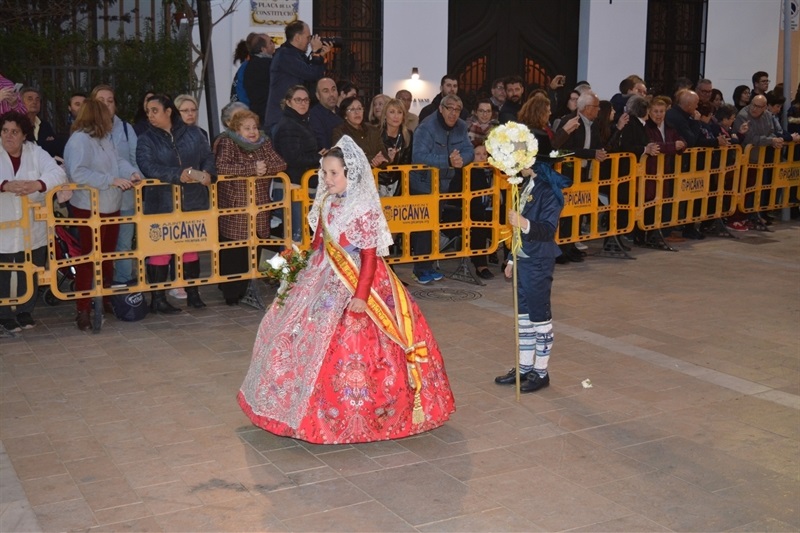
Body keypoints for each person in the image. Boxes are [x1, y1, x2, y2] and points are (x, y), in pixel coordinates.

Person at [237, 135, 455, 443]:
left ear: (350, 174)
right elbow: (318, 242)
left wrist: (361, 296)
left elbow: (369, 255)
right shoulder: (327, 201)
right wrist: (298, 267)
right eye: (324, 173)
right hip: (323, 273)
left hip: (358, 280)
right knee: (290, 331)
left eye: (333, 173)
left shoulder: (363, 208)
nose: (327, 179)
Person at [494, 152, 570, 393]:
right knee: (524, 319)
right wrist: (511, 259)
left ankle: (541, 371)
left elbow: (547, 229)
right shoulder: (527, 184)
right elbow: (517, 233)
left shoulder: (549, 191)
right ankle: (525, 367)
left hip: (538, 261)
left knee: (539, 318)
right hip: (523, 260)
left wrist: (523, 223)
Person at [64, 99, 140, 331]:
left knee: (106, 256)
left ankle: (104, 299)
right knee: (89, 259)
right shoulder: (79, 140)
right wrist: (111, 180)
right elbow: (77, 172)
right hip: (89, 206)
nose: (110, 118)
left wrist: (132, 173)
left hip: (110, 204)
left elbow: (118, 161)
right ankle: (83, 309)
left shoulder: (105, 138)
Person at [137, 94, 216, 311]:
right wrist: (177, 175)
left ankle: (193, 293)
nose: (150, 115)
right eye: (148, 112)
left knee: (191, 246)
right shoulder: (146, 139)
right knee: (161, 250)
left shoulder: (194, 133)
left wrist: (208, 172)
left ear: (169, 111)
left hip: (193, 200)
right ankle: (158, 299)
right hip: (162, 202)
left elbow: (208, 156)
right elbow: (147, 166)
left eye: (155, 110)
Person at [0, 111, 68, 334]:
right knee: (3, 272)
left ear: (24, 135)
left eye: (15, 132)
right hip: (4, 226)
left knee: (30, 270)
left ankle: (24, 311)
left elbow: (58, 174)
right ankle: (3, 314)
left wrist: (37, 184)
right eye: (5, 131)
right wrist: (4, 186)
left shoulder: (36, 152)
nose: (9, 136)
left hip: (32, 226)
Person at [214, 109, 287, 305]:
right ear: (236, 129)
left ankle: (251, 286)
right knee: (235, 250)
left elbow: (280, 163)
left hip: (260, 204)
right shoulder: (227, 142)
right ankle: (231, 293)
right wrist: (252, 169)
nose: (253, 131)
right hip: (235, 205)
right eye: (247, 128)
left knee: (257, 245)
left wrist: (264, 169)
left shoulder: (264, 142)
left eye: (254, 127)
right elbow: (221, 167)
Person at [411, 94, 474, 284]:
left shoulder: (461, 126)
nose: (453, 113)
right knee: (424, 228)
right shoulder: (426, 127)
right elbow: (418, 156)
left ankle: (429, 265)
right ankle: (421, 269)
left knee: (435, 226)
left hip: (444, 184)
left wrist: (461, 160)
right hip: (422, 183)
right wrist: (447, 161)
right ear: (441, 108)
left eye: (457, 110)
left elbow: (469, 150)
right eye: (449, 108)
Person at [91, 84, 141, 286]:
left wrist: (136, 176)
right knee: (101, 245)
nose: (106, 105)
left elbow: (134, 159)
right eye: (101, 101)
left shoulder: (127, 129)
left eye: (110, 101)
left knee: (124, 243)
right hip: (98, 199)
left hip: (126, 198)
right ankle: (100, 286)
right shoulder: (85, 132)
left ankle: (123, 282)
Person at [271, 85, 320, 242]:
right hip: (293, 186)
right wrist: (319, 157)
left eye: (306, 100)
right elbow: (293, 158)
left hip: (300, 185)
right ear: (288, 102)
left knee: (301, 237)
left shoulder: (301, 122)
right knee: (296, 237)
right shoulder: (289, 125)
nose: (303, 103)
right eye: (298, 100)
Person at [264, 20, 331, 134]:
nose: (309, 41)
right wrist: (315, 53)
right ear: (297, 38)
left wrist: (319, 56)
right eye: (308, 37)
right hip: (280, 120)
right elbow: (310, 74)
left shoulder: (296, 55)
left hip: (292, 119)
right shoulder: (285, 55)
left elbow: (315, 77)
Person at [332, 95, 386, 167]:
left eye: (359, 108)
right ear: (345, 115)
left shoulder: (373, 130)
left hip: (375, 173)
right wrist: (371, 159)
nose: (357, 112)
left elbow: (384, 155)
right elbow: (341, 157)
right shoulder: (339, 132)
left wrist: (380, 160)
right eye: (352, 109)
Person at [378, 97, 413, 197]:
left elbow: (406, 165)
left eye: (399, 112)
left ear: (403, 116)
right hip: (377, 182)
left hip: (397, 182)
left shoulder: (408, 135)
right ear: (385, 115)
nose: (396, 116)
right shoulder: (376, 133)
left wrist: (400, 191)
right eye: (392, 112)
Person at [20, 87, 62, 159]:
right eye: (30, 99)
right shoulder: (17, 125)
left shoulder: (45, 125)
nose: (34, 102)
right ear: (20, 103)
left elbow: (55, 148)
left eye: (37, 99)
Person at [243, 33, 275, 126]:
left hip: (257, 111)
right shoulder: (267, 65)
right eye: (270, 43)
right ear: (263, 49)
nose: (273, 45)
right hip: (266, 113)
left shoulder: (250, 64)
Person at [308, 77, 342, 151]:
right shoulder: (315, 116)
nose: (331, 94)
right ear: (318, 96)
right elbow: (323, 146)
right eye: (326, 91)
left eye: (333, 89)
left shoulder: (343, 111)